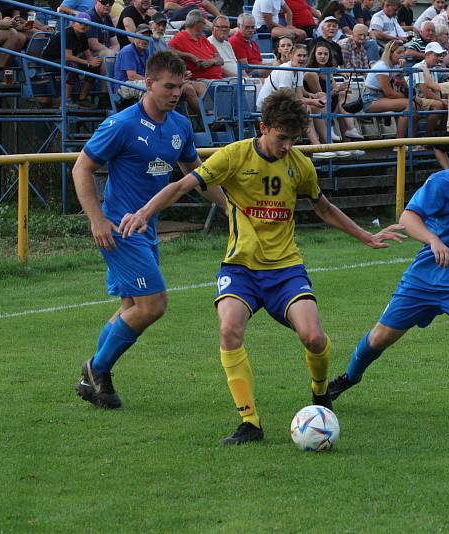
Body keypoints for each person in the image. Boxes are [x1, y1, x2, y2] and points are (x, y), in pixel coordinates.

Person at [116, 88, 406, 444]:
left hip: (286, 269)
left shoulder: (299, 165)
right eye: (282, 138)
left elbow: (323, 207)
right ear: (263, 127)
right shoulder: (233, 157)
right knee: (229, 329)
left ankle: (319, 394)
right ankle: (250, 423)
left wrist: (366, 236)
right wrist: (145, 212)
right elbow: (182, 185)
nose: (287, 146)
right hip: (240, 269)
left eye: (293, 139)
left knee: (314, 338)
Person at [328, 117, 449, 439]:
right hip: (425, 279)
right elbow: (408, 217)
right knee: (379, 339)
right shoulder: (442, 182)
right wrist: (433, 239)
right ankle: (349, 377)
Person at [71, 50, 225, 410]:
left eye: (180, 86)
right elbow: (81, 168)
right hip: (121, 229)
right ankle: (97, 369)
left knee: (131, 306)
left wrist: (230, 208)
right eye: (168, 86)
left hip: (148, 228)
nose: (175, 93)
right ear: (148, 83)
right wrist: (97, 219)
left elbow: (196, 174)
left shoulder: (179, 126)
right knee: (153, 304)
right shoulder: (122, 124)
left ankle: (92, 378)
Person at [256, 44, 330, 147]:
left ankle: (328, 144)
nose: (302, 58)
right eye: (299, 55)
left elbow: (299, 95)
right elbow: (288, 97)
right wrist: (312, 101)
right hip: (268, 105)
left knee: (315, 108)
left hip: (282, 103)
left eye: (304, 56)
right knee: (305, 107)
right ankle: (316, 146)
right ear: (291, 56)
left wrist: (313, 97)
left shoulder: (299, 70)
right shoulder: (285, 70)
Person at [363, 40, 421, 141]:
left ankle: (412, 141)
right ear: (390, 54)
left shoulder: (394, 66)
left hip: (382, 97)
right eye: (399, 53)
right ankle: (399, 143)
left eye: (403, 52)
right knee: (409, 104)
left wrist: (400, 71)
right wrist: (409, 96)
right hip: (371, 99)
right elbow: (389, 93)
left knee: (414, 108)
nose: (402, 55)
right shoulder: (382, 66)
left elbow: (403, 86)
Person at [41, 12, 102, 108]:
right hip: (50, 62)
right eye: (80, 23)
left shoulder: (83, 36)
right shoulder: (68, 33)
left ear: (89, 26)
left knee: (93, 68)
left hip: (64, 61)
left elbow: (88, 55)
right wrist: (88, 62)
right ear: (73, 23)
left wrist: (94, 61)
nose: (83, 26)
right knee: (73, 65)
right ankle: (66, 101)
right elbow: (68, 57)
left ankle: (82, 98)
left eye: (86, 24)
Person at [304, 41, 361, 141]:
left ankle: (351, 131)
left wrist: (342, 89)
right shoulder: (310, 73)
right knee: (327, 99)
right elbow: (321, 97)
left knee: (344, 95)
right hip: (318, 105)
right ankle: (330, 133)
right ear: (314, 55)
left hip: (330, 102)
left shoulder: (328, 70)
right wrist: (337, 90)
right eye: (320, 54)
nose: (323, 56)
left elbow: (335, 90)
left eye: (326, 54)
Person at [168, 10, 224, 82]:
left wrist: (211, 61)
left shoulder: (203, 39)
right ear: (197, 23)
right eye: (203, 22)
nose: (205, 25)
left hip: (218, 79)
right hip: (203, 80)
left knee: (237, 84)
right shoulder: (181, 37)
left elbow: (221, 60)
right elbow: (168, 50)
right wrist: (189, 56)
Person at [230, 13, 268, 78]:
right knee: (274, 67)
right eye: (247, 27)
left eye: (253, 27)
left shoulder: (253, 42)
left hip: (258, 70)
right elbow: (245, 67)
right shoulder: (235, 41)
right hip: (247, 76)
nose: (251, 30)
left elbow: (260, 62)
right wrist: (268, 66)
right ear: (239, 26)